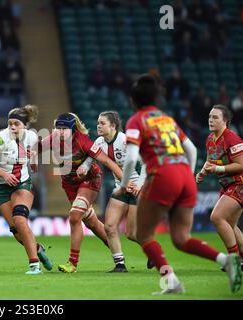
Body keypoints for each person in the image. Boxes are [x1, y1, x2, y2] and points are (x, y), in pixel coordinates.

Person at [114, 74, 241, 294]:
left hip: (163, 176)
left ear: (133, 101)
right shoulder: (166, 119)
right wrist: (188, 176)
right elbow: (191, 149)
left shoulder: (136, 120)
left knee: (142, 234)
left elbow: (132, 158)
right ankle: (226, 261)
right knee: (181, 238)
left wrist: (124, 184)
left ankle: (171, 281)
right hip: (184, 175)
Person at [37, 112, 123, 273]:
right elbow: (33, 150)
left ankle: (72, 263)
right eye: (58, 128)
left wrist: (125, 181)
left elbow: (107, 161)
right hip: (69, 184)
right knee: (91, 223)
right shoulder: (53, 139)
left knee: (75, 216)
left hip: (89, 181)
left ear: (73, 129)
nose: (60, 132)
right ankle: (118, 254)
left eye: (64, 129)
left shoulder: (83, 141)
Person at [0, 104, 52, 275]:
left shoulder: (32, 137)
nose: (12, 127)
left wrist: (33, 159)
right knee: (15, 229)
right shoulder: (1, 138)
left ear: (24, 126)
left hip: (22, 184)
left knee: (20, 221)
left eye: (16, 124)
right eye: (10, 123)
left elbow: (33, 167)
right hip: (1, 186)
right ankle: (38, 248)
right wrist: (4, 175)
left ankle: (34, 265)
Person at [94, 111, 149, 272]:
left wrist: (139, 184)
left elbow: (146, 163)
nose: (98, 125)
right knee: (109, 227)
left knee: (131, 233)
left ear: (113, 126)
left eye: (102, 123)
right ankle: (120, 264)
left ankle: (152, 250)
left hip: (139, 188)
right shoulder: (99, 142)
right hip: (120, 187)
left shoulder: (126, 140)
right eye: (98, 122)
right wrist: (83, 167)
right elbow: (90, 158)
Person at [196, 105, 243, 270]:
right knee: (230, 223)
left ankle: (234, 260)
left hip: (240, 183)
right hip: (227, 185)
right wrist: (202, 173)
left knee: (216, 217)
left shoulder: (232, 139)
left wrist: (219, 169)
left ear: (225, 121)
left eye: (215, 117)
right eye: (210, 116)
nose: (210, 119)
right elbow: (210, 162)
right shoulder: (210, 139)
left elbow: (241, 165)